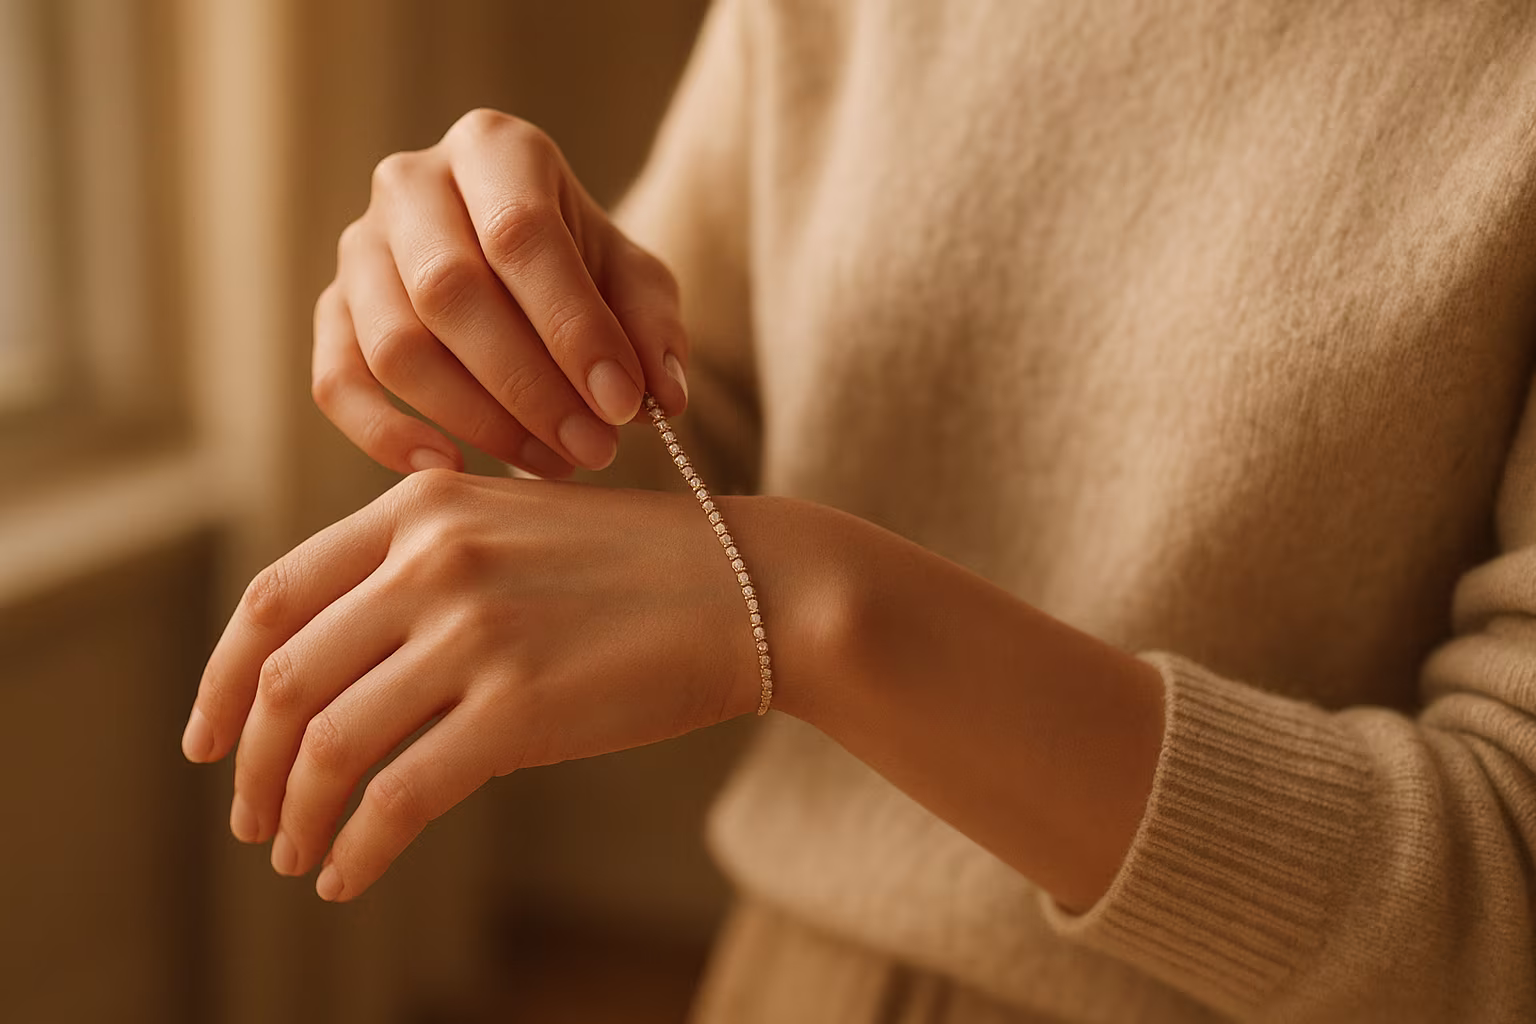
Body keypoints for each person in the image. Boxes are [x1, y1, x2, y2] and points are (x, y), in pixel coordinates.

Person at [180, 0, 1536, 1020]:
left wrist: (816, 610)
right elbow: (681, 469)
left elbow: (1506, 884)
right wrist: (477, 331)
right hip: (788, 982)